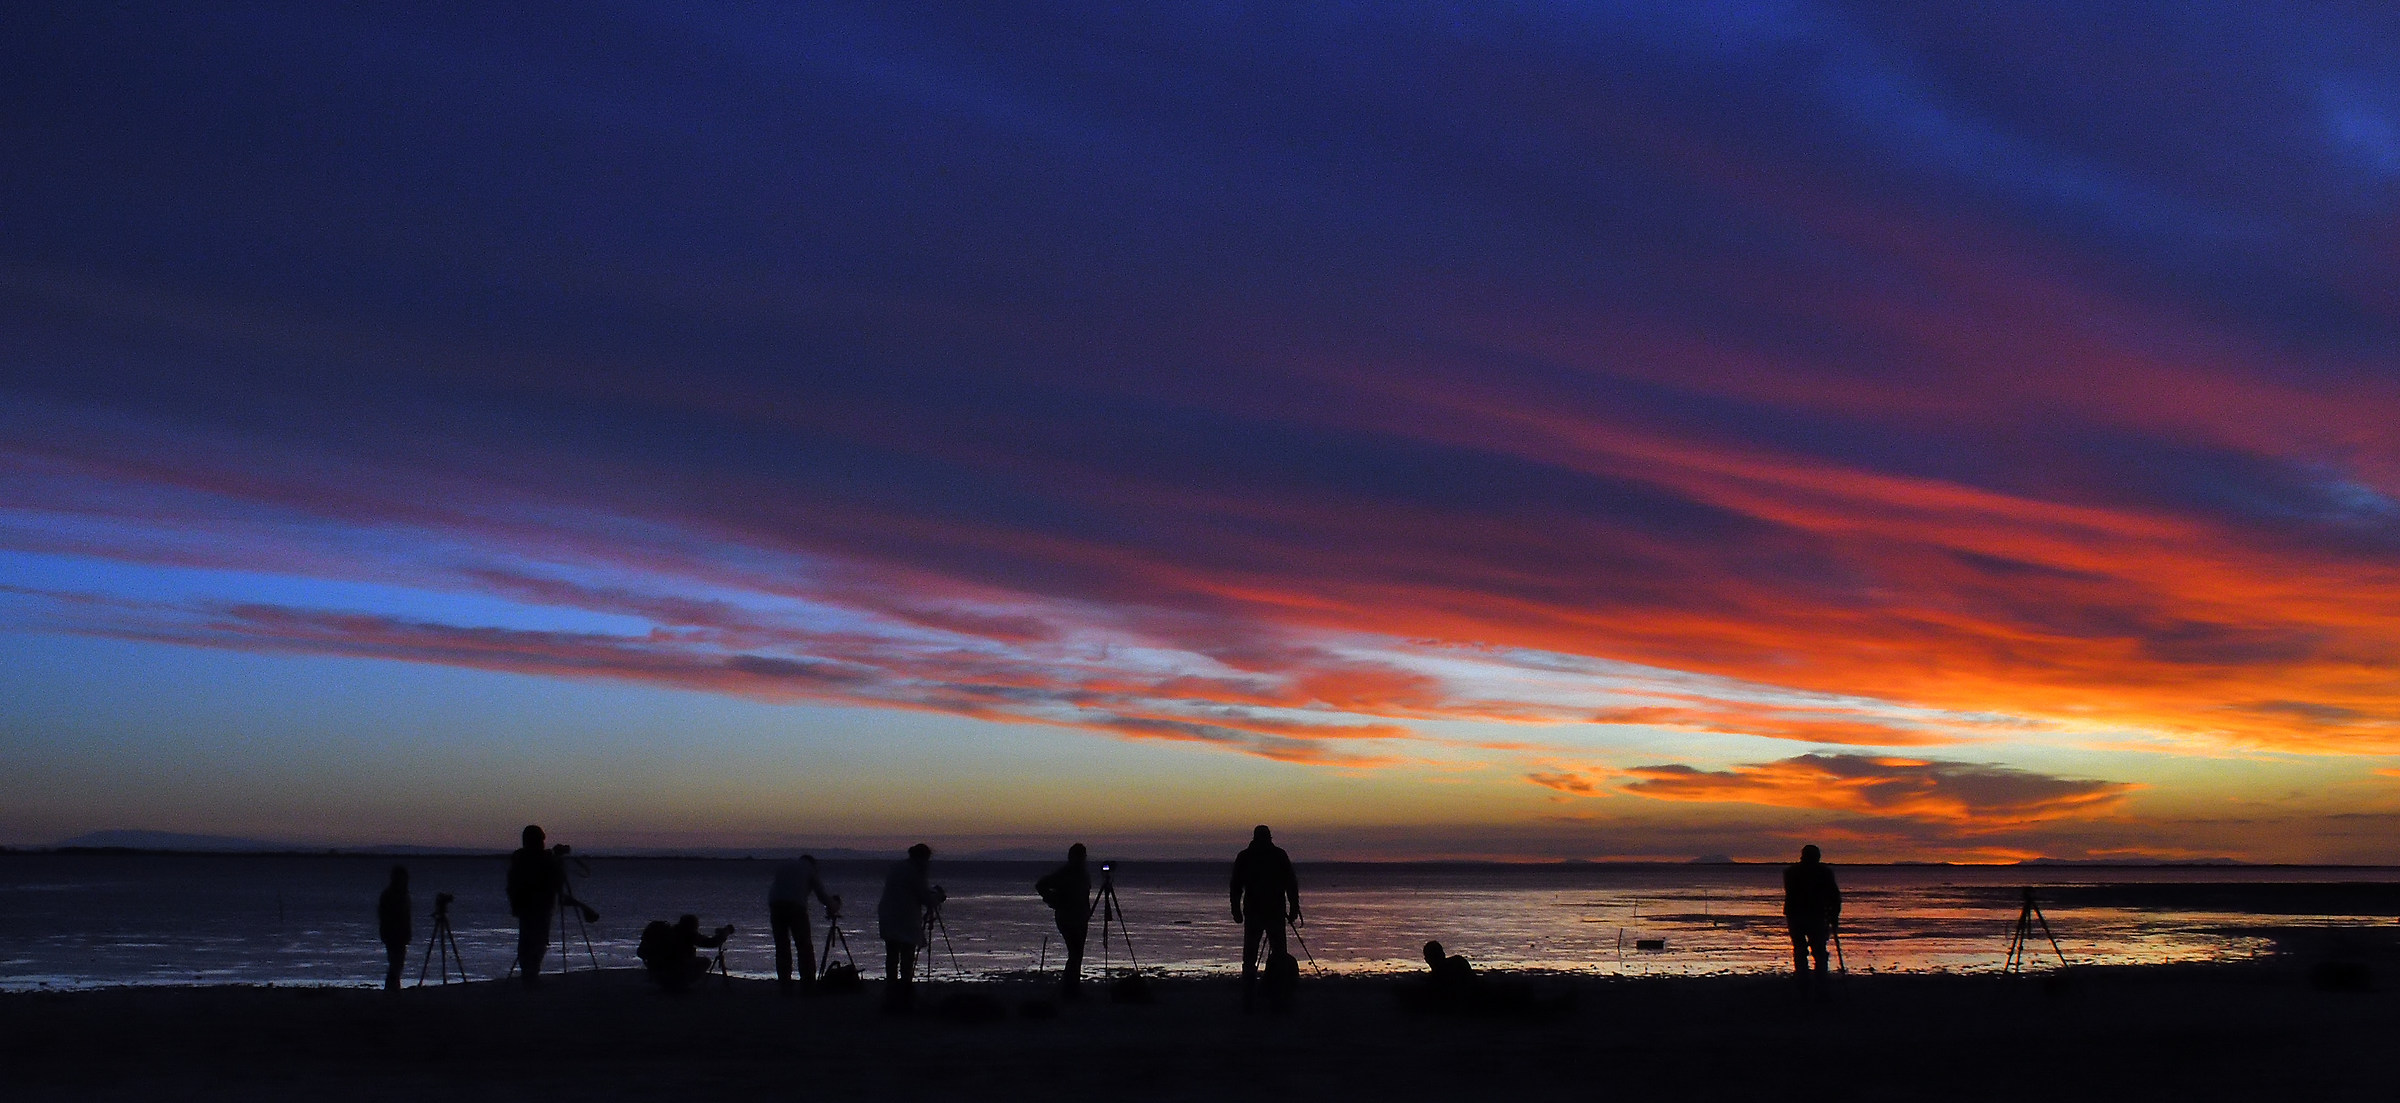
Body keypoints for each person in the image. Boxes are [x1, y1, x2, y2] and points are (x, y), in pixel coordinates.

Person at [505, 824, 595, 987]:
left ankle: (529, 974)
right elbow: (556, 882)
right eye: (540, 840)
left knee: (528, 940)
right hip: (538, 907)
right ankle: (531, 975)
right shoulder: (539, 860)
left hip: (526, 907)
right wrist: (557, 861)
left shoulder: (521, 858)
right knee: (537, 941)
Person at [1230, 824, 1301, 1011]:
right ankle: (1273, 998)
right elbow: (1291, 884)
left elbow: (1236, 886)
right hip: (1268, 912)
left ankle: (1252, 998)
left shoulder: (1247, 857)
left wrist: (1236, 909)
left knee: (1257, 957)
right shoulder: (1276, 856)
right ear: (1269, 837)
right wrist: (1294, 907)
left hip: (1263, 912)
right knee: (1273, 956)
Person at [876, 843, 946, 1011]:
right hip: (904, 919)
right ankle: (905, 995)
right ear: (923, 858)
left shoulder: (898, 867)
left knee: (892, 957)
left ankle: (892, 995)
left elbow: (913, 890)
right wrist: (939, 896)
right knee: (906, 958)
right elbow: (925, 898)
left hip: (888, 915)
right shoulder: (915, 871)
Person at [768, 854, 838, 995]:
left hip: (775, 904)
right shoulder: (809, 869)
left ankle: (785, 985)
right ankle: (808, 985)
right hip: (795, 906)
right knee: (804, 946)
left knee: (782, 947)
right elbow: (822, 895)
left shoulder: (786, 865)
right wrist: (834, 906)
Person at [1034, 844, 1092, 998]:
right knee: (1075, 953)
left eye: (1083, 856)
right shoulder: (1065, 873)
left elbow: (1084, 896)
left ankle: (1072, 987)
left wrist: (1086, 911)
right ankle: (1070, 989)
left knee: (1077, 954)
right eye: (1079, 856)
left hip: (1080, 917)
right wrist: (1054, 901)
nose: (1082, 859)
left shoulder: (1083, 874)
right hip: (1067, 918)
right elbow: (1041, 885)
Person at [1783, 844, 1842, 984]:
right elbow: (1834, 896)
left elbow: (1834, 896)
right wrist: (1834, 916)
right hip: (1814, 915)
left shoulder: (1791, 872)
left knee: (1802, 949)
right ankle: (1817, 980)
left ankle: (1804, 979)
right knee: (1818, 950)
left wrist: (1833, 915)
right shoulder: (1824, 872)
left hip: (1799, 915)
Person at [638, 913, 734, 992]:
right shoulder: (687, 934)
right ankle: (681, 985)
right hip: (673, 972)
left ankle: (674, 984)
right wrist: (724, 934)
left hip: (658, 973)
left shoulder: (669, 932)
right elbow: (711, 943)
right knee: (705, 961)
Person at [377, 865, 411, 991]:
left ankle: (394, 987)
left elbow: (406, 917)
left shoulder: (404, 895)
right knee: (395, 963)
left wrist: (408, 932)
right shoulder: (389, 895)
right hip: (392, 934)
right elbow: (384, 915)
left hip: (401, 934)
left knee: (398, 963)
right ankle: (391, 988)